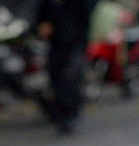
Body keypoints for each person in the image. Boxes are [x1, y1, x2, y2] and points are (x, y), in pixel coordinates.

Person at [37, 0, 99, 135]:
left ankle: (71, 114)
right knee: (56, 80)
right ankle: (61, 114)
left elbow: (85, 19)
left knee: (71, 79)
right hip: (55, 45)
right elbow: (42, 18)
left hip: (75, 44)